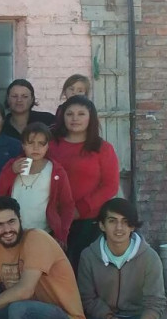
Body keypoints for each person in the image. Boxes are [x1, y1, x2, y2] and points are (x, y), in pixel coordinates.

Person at [77, 198, 167, 319]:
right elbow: (88, 299)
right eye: (112, 221)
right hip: (104, 318)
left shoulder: (149, 257)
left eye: (125, 222)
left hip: (138, 316)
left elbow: (156, 302)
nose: (119, 228)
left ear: (132, 227)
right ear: (102, 225)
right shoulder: (89, 256)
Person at [50, 96, 120, 270]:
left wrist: (79, 209)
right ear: (62, 117)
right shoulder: (50, 145)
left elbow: (110, 186)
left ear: (91, 118)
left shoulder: (103, 148)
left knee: (84, 268)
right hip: (53, 219)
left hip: (88, 221)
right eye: (70, 114)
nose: (75, 118)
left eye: (81, 114)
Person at [0, 122, 74, 248]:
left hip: (44, 234)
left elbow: (67, 205)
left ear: (47, 146)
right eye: (30, 143)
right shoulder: (13, 165)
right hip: (12, 234)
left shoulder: (56, 171)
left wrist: (62, 235)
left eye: (41, 143)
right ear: (23, 145)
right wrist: (11, 172)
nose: (36, 148)